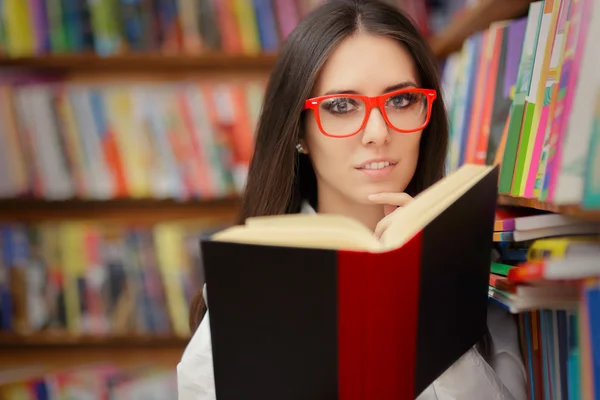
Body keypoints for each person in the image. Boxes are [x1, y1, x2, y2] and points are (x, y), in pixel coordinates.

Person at [177, 0, 527, 399]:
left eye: (401, 100)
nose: (377, 132)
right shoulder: (247, 293)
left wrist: (430, 300)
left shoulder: (481, 273)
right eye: (341, 106)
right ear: (299, 132)